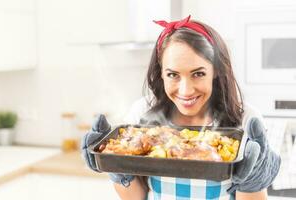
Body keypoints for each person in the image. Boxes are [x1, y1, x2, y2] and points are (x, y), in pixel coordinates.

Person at [81, 15, 281, 200]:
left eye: (198, 73)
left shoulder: (245, 119)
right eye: (173, 75)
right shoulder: (142, 113)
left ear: (217, 70)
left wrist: (254, 179)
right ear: (161, 73)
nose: (185, 91)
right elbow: (135, 197)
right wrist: (116, 166)